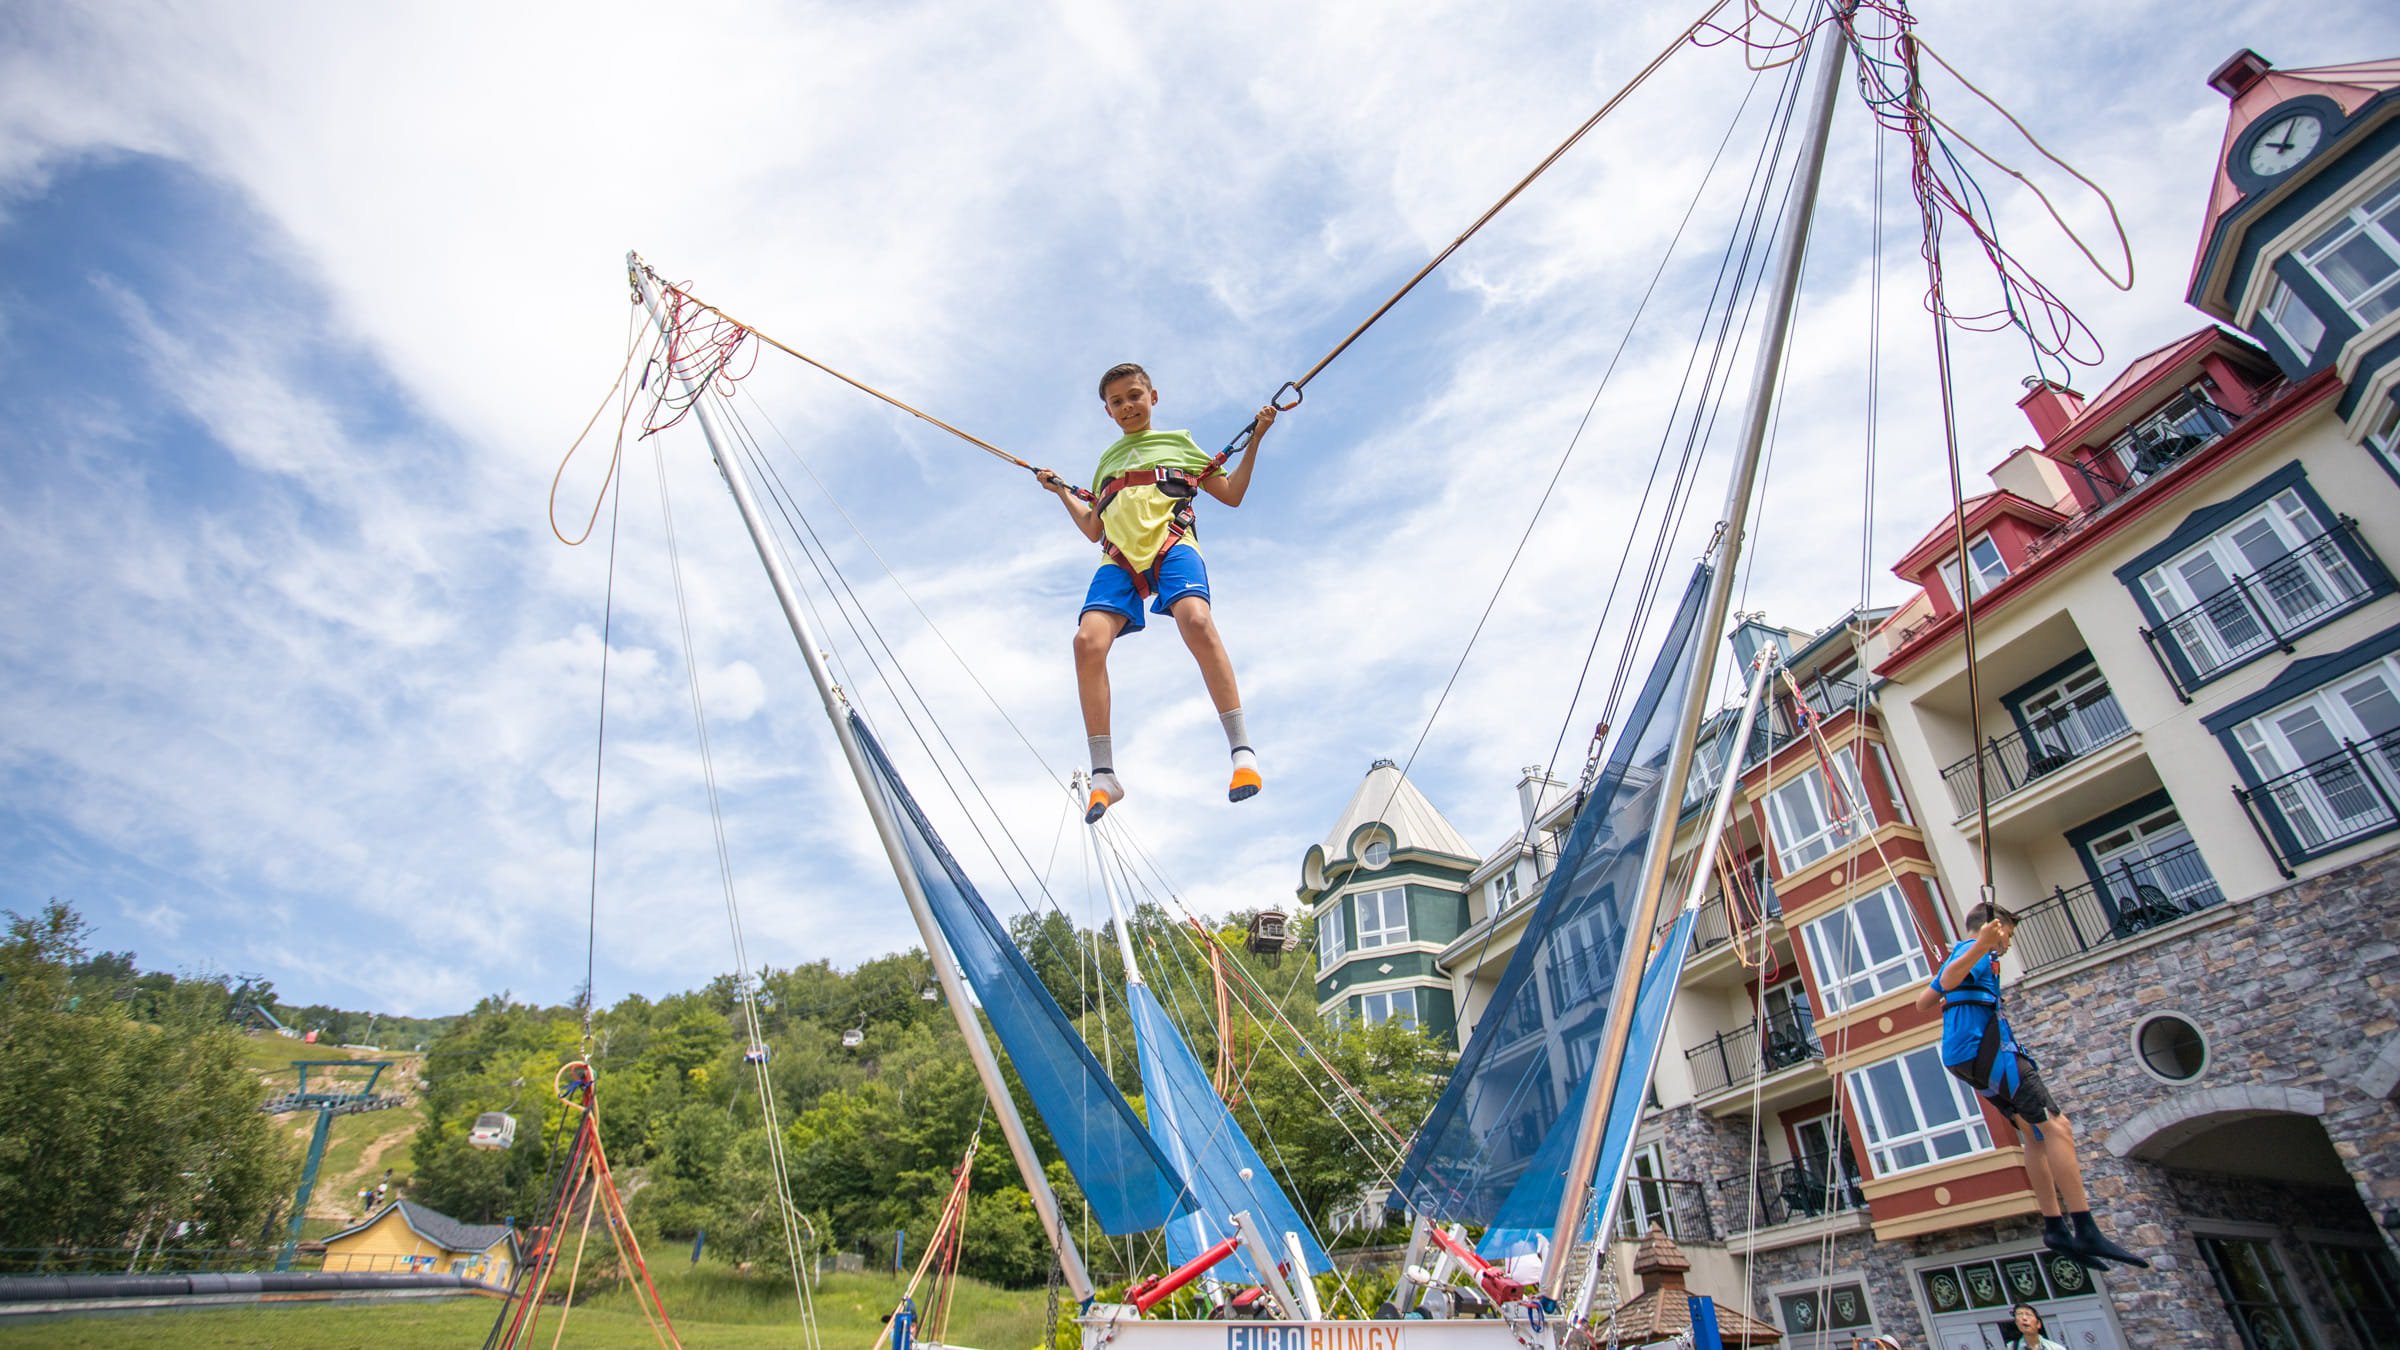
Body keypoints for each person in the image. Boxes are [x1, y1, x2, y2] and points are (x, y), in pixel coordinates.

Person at [1037, 364, 1274, 822]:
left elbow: (1232, 494)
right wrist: (1061, 492)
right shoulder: (1107, 461)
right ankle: (1104, 774)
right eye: (1117, 402)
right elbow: (1092, 528)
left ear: (1153, 397)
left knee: (1197, 621)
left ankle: (1242, 752)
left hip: (1172, 545)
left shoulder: (1180, 445)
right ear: (1107, 411)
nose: (1127, 406)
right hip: (1118, 558)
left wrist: (1258, 436)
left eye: (1134, 396)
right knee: (1086, 643)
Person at [1915, 902, 2148, 1270]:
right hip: (1987, 1049)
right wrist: (1980, 946)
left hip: (1964, 1055)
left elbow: (1928, 999)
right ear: (1998, 927)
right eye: (2008, 934)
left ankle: (2055, 1226)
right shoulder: (1969, 950)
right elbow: (1935, 992)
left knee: (2033, 1133)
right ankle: (2085, 1226)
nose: (2008, 943)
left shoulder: (1970, 958)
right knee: (2056, 1126)